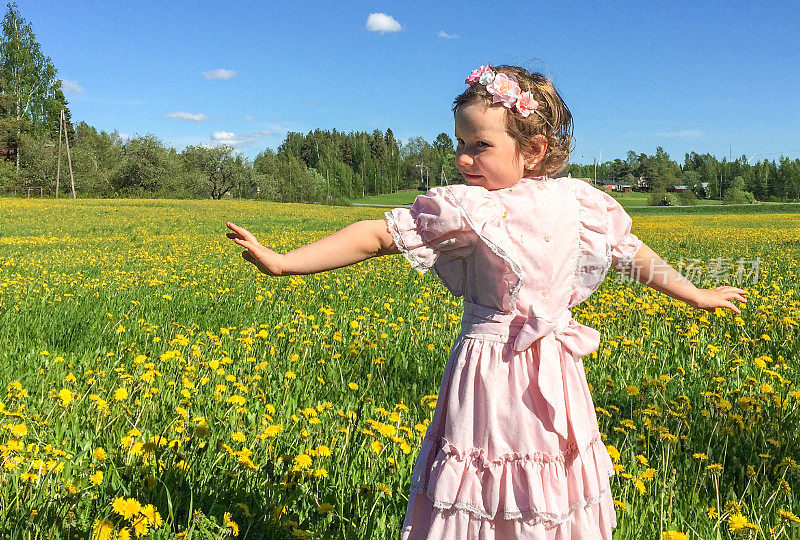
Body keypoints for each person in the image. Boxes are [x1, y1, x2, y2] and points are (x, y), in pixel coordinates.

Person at [225, 63, 747, 539]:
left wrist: (696, 293)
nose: (463, 157)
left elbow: (632, 254)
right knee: (484, 481)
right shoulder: (466, 208)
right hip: (489, 372)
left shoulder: (580, 203)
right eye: (459, 143)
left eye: (480, 145)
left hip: (555, 369)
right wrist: (283, 261)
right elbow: (376, 235)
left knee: (551, 485)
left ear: (534, 150)